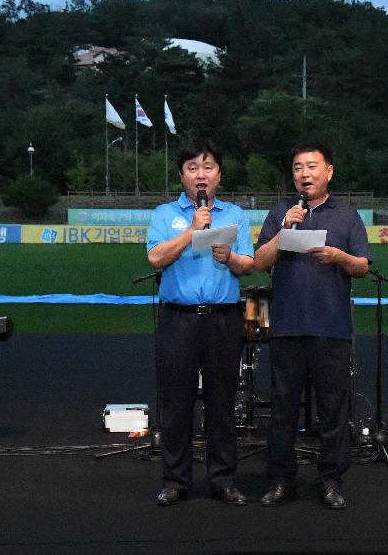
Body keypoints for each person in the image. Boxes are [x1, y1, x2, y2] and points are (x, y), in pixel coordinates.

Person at [254, 142, 371, 510]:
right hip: (287, 326)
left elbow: (363, 267)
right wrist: (284, 230)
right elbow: (259, 261)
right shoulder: (279, 212)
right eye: (298, 168)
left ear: (329, 171)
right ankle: (280, 480)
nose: (305, 174)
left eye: (312, 166)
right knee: (283, 409)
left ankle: (331, 480)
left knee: (333, 409)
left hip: (331, 327)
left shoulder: (348, 216)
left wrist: (339, 256)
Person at [146, 139, 255, 507]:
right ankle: (175, 480)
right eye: (193, 168)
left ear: (219, 176)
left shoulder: (236, 214)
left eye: (208, 168)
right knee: (176, 404)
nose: (201, 175)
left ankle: (223, 479)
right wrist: (192, 231)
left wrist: (230, 258)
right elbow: (156, 258)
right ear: (182, 176)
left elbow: (249, 266)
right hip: (178, 320)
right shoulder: (164, 214)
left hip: (224, 320)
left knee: (222, 403)